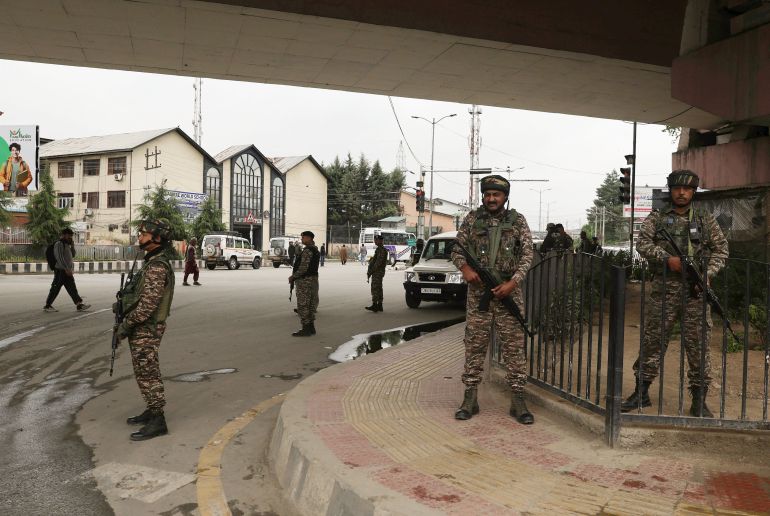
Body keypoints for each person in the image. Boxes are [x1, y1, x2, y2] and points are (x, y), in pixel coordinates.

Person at [621, 170, 728, 417]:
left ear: (693, 192)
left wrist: (708, 274)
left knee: (698, 345)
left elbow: (721, 249)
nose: (682, 193)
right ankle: (642, 392)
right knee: (653, 340)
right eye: (678, 188)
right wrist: (666, 259)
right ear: (670, 190)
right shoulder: (658, 217)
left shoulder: (704, 219)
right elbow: (642, 243)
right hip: (664, 289)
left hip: (696, 291)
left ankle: (699, 399)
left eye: (687, 189)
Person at [451, 175, 534, 424]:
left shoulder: (517, 221)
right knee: (474, 346)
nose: (491, 199)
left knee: (514, 349)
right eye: (487, 194)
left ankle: (518, 400)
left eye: (496, 195)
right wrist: (465, 270)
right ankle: (470, 398)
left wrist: (513, 282)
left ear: (505, 197)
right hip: (479, 296)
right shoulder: (472, 220)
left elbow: (527, 255)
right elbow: (457, 249)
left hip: (509, 292)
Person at [114, 219, 177, 440]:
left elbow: (148, 306)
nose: (139, 237)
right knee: (143, 370)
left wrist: (125, 326)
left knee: (148, 372)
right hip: (143, 327)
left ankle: (158, 419)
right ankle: (152, 410)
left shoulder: (158, 266)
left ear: (157, 238)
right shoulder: (152, 262)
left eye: (144, 234)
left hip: (147, 328)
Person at [44, 228, 91, 312]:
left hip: (66, 270)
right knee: (55, 288)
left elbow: (73, 255)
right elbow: (60, 257)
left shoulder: (67, 245)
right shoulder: (59, 244)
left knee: (72, 288)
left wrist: (72, 246)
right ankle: (48, 305)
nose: (70, 237)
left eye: (71, 236)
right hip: (61, 270)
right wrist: (66, 268)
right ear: (64, 235)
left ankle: (79, 305)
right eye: (69, 235)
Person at [289, 231, 320, 336]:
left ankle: (306, 329)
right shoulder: (315, 249)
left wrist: (293, 276)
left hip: (305, 281)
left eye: (303, 238)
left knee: (303, 305)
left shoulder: (307, 251)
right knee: (311, 304)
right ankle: (311, 327)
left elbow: (303, 268)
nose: (302, 240)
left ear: (308, 238)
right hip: (313, 280)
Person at [366, 234, 388, 312]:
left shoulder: (381, 250)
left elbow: (378, 263)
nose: (375, 241)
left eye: (376, 240)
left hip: (378, 272)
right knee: (379, 288)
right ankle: (379, 305)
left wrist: (371, 271)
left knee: (375, 288)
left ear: (380, 241)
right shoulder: (379, 250)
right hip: (378, 272)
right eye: (375, 240)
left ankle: (375, 305)